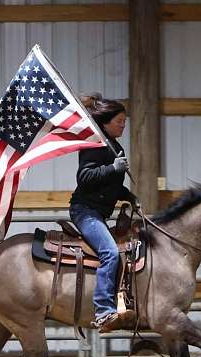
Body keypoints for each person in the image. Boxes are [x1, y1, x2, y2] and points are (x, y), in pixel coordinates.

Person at [69, 93, 139, 330]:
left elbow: (107, 186)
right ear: (106, 122)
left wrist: (127, 196)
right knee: (110, 251)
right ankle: (103, 310)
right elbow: (85, 178)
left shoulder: (112, 146)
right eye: (120, 121)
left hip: (96, 212)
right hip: (85, 212)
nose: (123, 125)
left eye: (124, 121)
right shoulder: (94, 144)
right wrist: (113, 167)